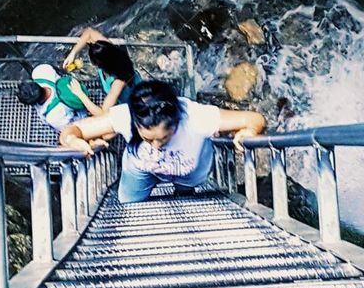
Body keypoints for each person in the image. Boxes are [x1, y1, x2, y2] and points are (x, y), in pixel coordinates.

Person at [60, 79, 266, 203]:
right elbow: (74, 129)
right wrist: (71, 140)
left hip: (188, 169)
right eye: (147, 138)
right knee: (129, 204)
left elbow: (255, 118)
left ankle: (183, 191)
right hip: (141, 169)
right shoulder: (125, 115)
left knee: (185, 192)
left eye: (164, 138)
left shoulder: (195, 116)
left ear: (177, 120)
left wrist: (249, 131)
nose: (156, 146)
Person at [16, 62, 121, 145]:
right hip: (75, 89)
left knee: (108, 134)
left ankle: (108, 130)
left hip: (79, 115)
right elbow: (59, 71)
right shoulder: (40, 71)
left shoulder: (53, 117)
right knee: (109, 110)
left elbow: (73, 129)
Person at [62, 28, 138, 108]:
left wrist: (80, 94)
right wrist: (73, 54)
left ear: (103, 64)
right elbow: (89, 32)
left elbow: (103, 113)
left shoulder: (118, 82)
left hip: (128, 103)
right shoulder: (108, 49)